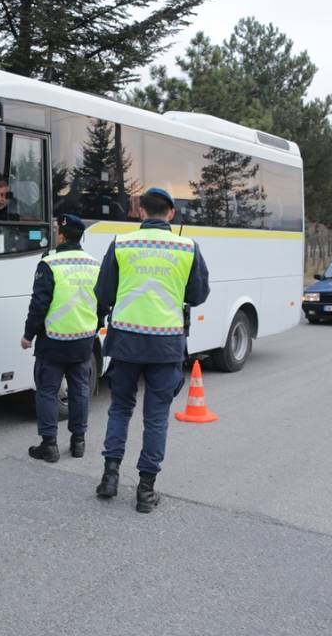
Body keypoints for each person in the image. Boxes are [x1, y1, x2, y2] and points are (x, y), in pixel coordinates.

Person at [93, 187, 210, 513]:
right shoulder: (188, 248)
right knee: (156, 418)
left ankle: (110, 478)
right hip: (166, 345)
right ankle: (145, 492)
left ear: (140, 211)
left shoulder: (122, 243)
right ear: (171, 213)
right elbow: (198, 295)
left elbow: (103, 291)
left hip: (126, 342)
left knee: (120, 409)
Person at [20, 214, 99, 462]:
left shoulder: (50, 263)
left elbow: (39, 304)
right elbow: (104, 301)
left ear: (62, 235)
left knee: (47, 391)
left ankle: (49, 445)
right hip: (83, 340)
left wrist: (28, 334)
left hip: (53, 341)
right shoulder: (95, 264)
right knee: (80, 391)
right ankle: (78, 443)